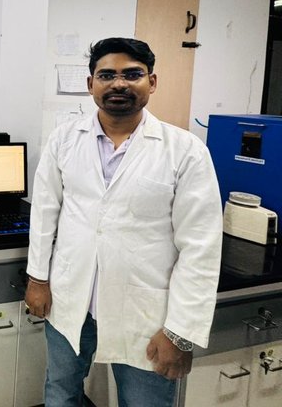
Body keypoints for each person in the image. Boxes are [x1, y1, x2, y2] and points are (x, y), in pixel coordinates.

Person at [25, 37, 222, 407]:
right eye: (107, 75)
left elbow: (201, 248)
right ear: (91, 84)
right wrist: (37, 279)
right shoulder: (64, 140)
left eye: (132, 74)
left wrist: (180, 333)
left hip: (145, 314)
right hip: (70, 302)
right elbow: (45, 212)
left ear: (152, 82)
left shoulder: (185, 151)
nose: (119, 84)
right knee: (60, 393)